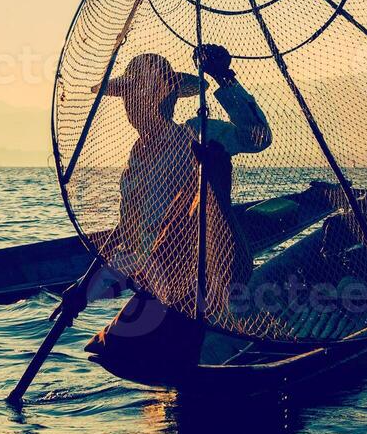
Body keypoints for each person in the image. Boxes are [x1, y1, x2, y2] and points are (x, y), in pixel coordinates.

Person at [83, 44, 271, 376]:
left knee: (125, 351)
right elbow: (129, 229)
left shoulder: (198, 133)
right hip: (157, 283)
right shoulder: (137, 156)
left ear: (167, 98)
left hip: (201, 283)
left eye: (144, 96)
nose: (135, 106)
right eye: (129, 98)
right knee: (107, 351)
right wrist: (83, 288)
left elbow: (257, 137)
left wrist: (223, 78)